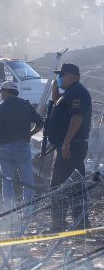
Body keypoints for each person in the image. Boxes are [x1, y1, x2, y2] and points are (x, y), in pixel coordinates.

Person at [46, 63, 92, 231]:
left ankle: (59, 225)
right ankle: (80, 222)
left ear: (71, 76)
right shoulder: (69, 93)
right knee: (74, 185)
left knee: (59, 184)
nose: (59, 78)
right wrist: (54, 89)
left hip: (71, 146)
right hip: (68, 146)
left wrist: (66, 143)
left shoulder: (78, 92)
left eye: (61, 75)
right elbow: (58, 105)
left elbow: (77, 118)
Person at [0, 81, 44, 210]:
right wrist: (30, 134)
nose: (1, 94)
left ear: (7, 91)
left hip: (5, 149)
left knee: (7, 181)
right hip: (22, 148)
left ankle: (9, 212)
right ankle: (27, 210)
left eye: (2, 91)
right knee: (27, 180)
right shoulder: (26, 105)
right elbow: (40, 123)